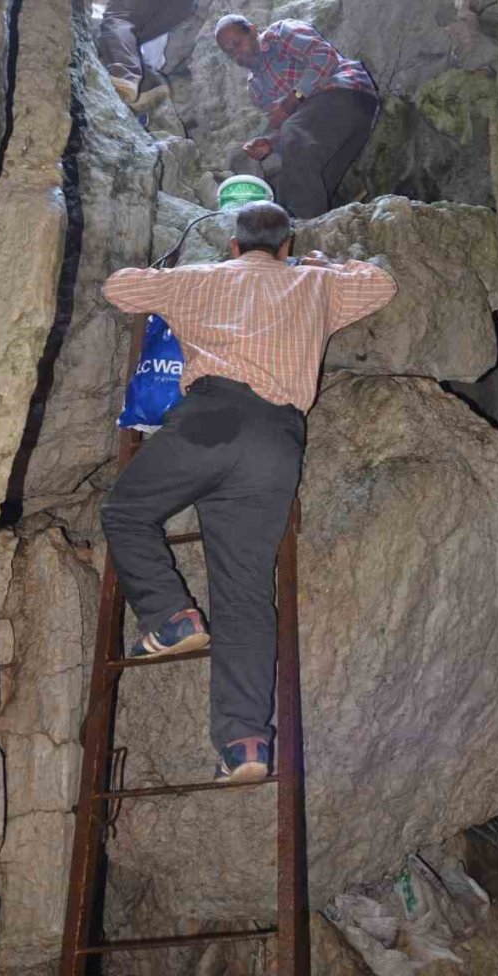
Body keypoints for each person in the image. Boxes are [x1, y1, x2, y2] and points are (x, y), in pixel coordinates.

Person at [100, 201, 396, 782]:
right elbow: (379, 283)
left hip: (211, 418)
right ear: (286, 246)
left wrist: (181, 276)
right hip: (278, 442)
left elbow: (120, 288)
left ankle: (171, 617)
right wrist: (320, 262)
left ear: (235, 245)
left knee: (127, 511)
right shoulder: (314, 284)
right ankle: (245, 744)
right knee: (245, 597)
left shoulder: (200, 279)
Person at [214, 14, 379, 219]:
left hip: (346, 93)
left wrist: (290, 102)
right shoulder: (256, 87)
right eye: (229, 53)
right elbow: (294, 128)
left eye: (237, 44)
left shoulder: (281, 33)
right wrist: (271, 143)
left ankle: (305, 232)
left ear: (254, 30)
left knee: (294, 135)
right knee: (296, 185)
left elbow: (324, 57)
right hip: (340, 128)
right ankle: (302, 237)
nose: (237, 55)